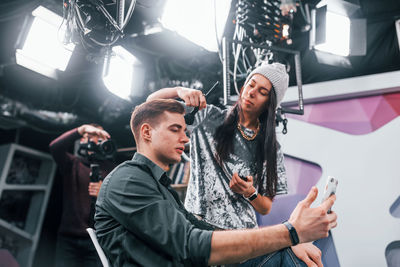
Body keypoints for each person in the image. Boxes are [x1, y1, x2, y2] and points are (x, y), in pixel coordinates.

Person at [94, 99, 337, 266]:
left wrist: (288, 239)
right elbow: (192, 245)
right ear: (146, 132)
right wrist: (290, 232)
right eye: (175, 129)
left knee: (291, 256)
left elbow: (208, 231)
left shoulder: (160, 186)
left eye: (185, 130)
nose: (185, 138)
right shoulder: (127, 180)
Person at [147, 63, 322, 265]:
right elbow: (151, 104)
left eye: (262, 91)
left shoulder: (270, 148)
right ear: (243, 87)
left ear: (269, 103)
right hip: (197, 232)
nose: (252, 93)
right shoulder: (207, 117)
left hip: (242, 240)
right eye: (251, 85)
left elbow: (265, 207)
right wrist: (181, 91)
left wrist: (250, 192)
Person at [49, 124, 115, 267]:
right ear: (82, 140)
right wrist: (82, 129)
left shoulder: (112, 170)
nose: (94, 141)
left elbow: (120, 205)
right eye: (89, 137)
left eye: (99, 139)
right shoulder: (72, 164)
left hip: (98, 240)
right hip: (68, 238)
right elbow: (55, 147)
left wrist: (104, 195)